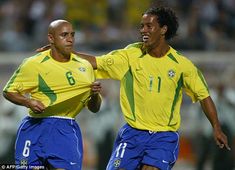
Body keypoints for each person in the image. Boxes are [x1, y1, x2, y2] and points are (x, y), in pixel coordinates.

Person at [37, 7, 230, 170]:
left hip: (163, 137)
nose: (143, 30)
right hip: (132, 134)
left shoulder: (182, 65)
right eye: (141, 26)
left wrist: (216, 127)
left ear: (163, 29)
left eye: (149, 26)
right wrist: (64, 53)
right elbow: (96, 62)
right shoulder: (131, 55)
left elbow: (204, 96)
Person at [3, 19, 102, 170]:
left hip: (65, 128)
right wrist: (28, 102)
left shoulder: (85, 66)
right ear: (51, 38)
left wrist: (95, 95)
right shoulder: (33, 63)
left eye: (72, 35)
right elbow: (8, 91)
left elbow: (94, 108)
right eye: (64, 35)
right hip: (34, 126)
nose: (70, 39)